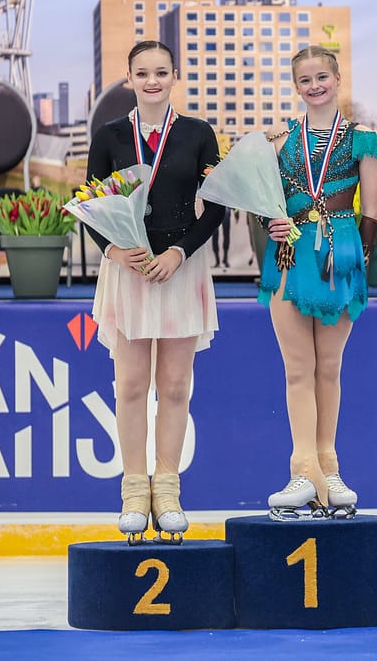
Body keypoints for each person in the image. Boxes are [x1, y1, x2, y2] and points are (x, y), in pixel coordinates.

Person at [85, 40, 225, 544]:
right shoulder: (108, 136)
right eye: (142, 73)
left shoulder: (197, 134)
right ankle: (132, 490)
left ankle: (167, 489)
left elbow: (216, 208)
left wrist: (179, 253)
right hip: (129, 270)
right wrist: (113, 250)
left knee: (175, 385)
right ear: (129, 78)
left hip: (180, 268)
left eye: (161, 72)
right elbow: (90, 204)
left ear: (174, 77)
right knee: (129, 385)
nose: (151, 81)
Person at [260, 46, 377, 520]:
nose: (314, 86)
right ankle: (302, 470)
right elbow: (262, 200)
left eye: (321, 77)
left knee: (328, 367)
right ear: (295, 86)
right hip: (289, 254)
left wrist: (360, 259)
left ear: (337, 79)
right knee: (297, 369)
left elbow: (372, 208)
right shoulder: (278, 140)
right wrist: (268, 222)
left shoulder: (361, 138)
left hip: (339, 253)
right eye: (305, 79)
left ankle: (329, 468)